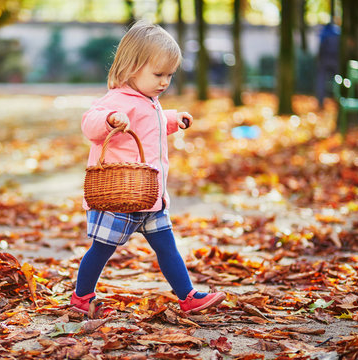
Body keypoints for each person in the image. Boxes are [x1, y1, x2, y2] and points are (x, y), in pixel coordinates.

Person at [71, 21, 226, 317]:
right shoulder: (117, 100)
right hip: (119, 197)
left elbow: (148, 128)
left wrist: (172, 119)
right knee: (102, 248)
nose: (164, 82)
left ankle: (188, 295)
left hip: (151, 197)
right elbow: (90, 122)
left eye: (170, 75)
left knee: (167, 246)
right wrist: (111, 120)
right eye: (158, 74)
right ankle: (82, 297)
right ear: (132, 67)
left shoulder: (150, 102)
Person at [316, 22, 340, 109]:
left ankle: (320, 102)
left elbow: (320, 49)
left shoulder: (324, 34)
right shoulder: (338, 34)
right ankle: (338, 99)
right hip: (335, 61)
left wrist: (319, 60)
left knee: (321, 81)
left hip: (324, 61)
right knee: (337, 81)